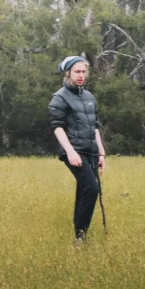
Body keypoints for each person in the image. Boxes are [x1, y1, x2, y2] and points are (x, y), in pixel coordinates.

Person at [48, 55, 106, 242]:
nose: (81, 75)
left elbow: (95, 126)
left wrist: (101, 152)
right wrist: (70, 151)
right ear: (68, 73)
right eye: (77, 72)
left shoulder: (89, 97)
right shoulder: (59, 98)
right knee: (92, 189)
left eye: (83, 72)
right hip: (73, 151)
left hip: (91, 151)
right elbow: (57, 127)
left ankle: (79, 235)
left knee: (83, 191)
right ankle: (80, 237)